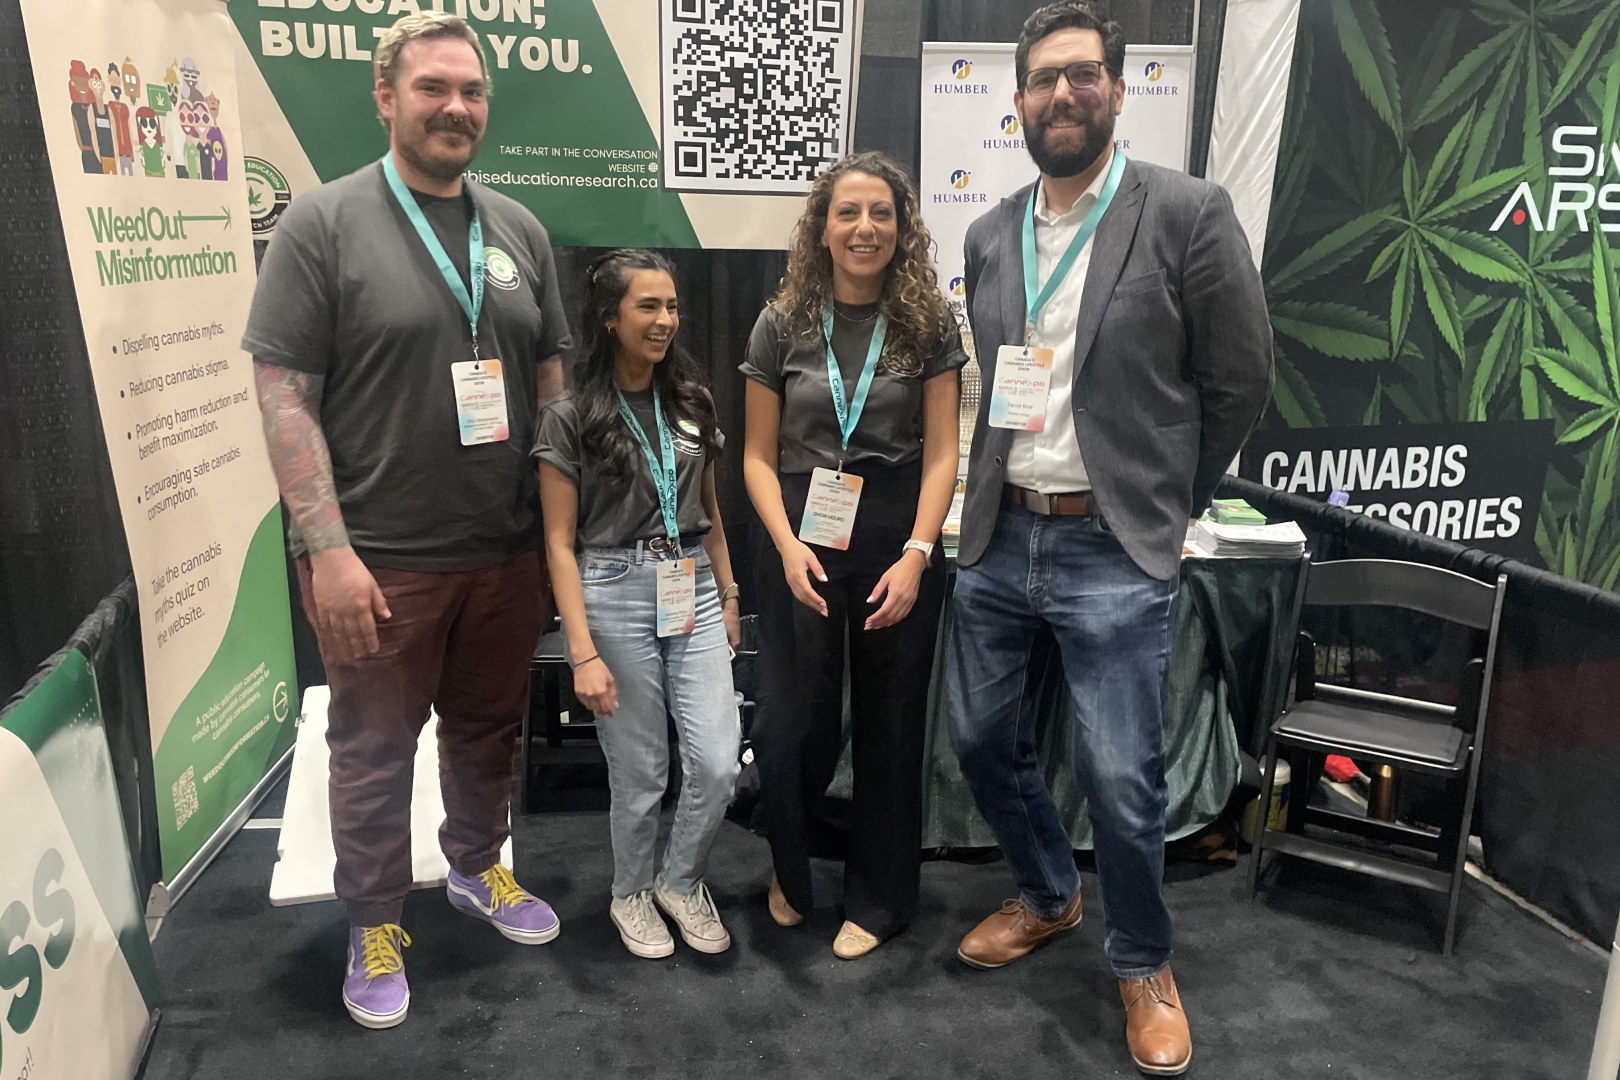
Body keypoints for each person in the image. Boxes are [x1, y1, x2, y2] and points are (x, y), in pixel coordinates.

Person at [946, 3, 1273, 1074]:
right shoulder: (990, 234)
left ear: (1121, 92)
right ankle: (1049, 893)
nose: (1062, 96)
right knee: (982, 741)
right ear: (1019, 104)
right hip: (999, 538)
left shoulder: (1186, 213)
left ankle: (1142, 961)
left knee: (1123, 778)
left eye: (1083, 76)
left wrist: (1168, 499)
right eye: (1043, 81)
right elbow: (1000, 385)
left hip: (1113, 546)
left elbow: (1241, 378)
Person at [243, 12, 569, 1031]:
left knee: (486, 730)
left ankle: (477, 866)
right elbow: (283, 395)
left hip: (506, 549)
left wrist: (562, 504)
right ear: (386, 97)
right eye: (433, 88)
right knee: (374, 752)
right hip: (378, 558)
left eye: (472, 92)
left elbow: (551, 375)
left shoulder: (518, 228)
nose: (456, 108)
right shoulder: (322, 223)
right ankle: (375, 920)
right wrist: (325, 550)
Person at [742, 151, 965, 960]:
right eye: (848, 212)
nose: (865, 228)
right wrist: (784, 543)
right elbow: (757, 458)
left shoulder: (928, 323)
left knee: (892, 721)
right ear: (822, 228)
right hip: (798, 530)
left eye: (881, 213)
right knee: (792, 719)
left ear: (902, 227)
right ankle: (791, 871)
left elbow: (944, 453)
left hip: (896, 531)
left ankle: (879, 898)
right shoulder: (782, 321)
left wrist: (917, 552)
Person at [536, 249, 743, 960]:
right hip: (612, 589)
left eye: (673, 306)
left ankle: (680, 882)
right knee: (642, 770)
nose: (665, 320)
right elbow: (559, 544)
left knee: (718, 763)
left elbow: (710, 508)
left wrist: (732, 589)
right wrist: (580, 649)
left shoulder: (691, 399)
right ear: (610, 318)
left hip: (693, 586)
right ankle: (630, 890)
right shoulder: (569, 415)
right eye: (648, 306)